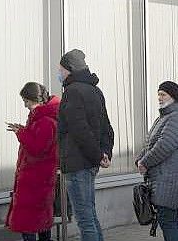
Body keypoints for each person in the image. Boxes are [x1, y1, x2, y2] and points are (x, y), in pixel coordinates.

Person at [57, 49, 114, 241]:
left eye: (61, 70)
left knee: (84, 219)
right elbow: (106, 127)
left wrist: (98, 155)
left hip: (77, 163)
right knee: (90, 214)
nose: (60, 74)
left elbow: (79, 130)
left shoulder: (72, 92)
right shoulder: (95, 90)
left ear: (70, 70)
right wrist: (104, 153)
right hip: (90, 162)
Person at [136, 81, 178, 241]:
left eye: (163, 94)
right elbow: (151, 144)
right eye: (158, 94)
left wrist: (145, 162)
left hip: (170, 178)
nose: (159, 98)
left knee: (168, 220)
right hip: (162, 177)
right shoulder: (164, 117)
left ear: (173, 96)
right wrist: (140, 159)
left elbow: (164, 145)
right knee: (167, 219)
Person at [6, 82, 61, 241]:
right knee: (40, 222)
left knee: (29, 223)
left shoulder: (44, 120)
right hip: (39, 179)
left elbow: (38, 147)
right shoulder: (43, 117)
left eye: (26, 102)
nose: (25, 105)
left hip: (35, 179)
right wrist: (23, 130)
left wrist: (21, 133)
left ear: (34, 100)